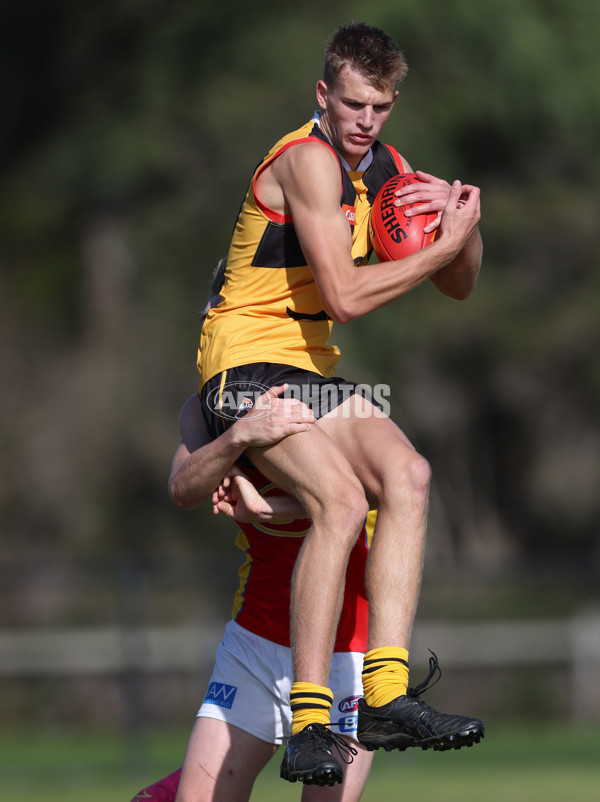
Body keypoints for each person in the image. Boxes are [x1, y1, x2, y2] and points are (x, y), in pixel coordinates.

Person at [196, 21, 484, 787]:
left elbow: (459, 281)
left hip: (311, 370)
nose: (366, 121)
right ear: (324, 94)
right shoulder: (308, 163)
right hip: (245, 365)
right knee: (343, 500)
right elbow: (348, 298)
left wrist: (462, 223)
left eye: (381, 107)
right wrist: (435, 251)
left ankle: (385, 692)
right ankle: (314, 716)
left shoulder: (386, 166)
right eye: (353, 103)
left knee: (410, 476)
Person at [130, 386, 375, 802]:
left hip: (347, 652)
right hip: (257, 642)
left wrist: (266, 505)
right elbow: (182, 488)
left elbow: (365, 493)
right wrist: (237, 438)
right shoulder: (207, 409)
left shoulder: (336, 398)